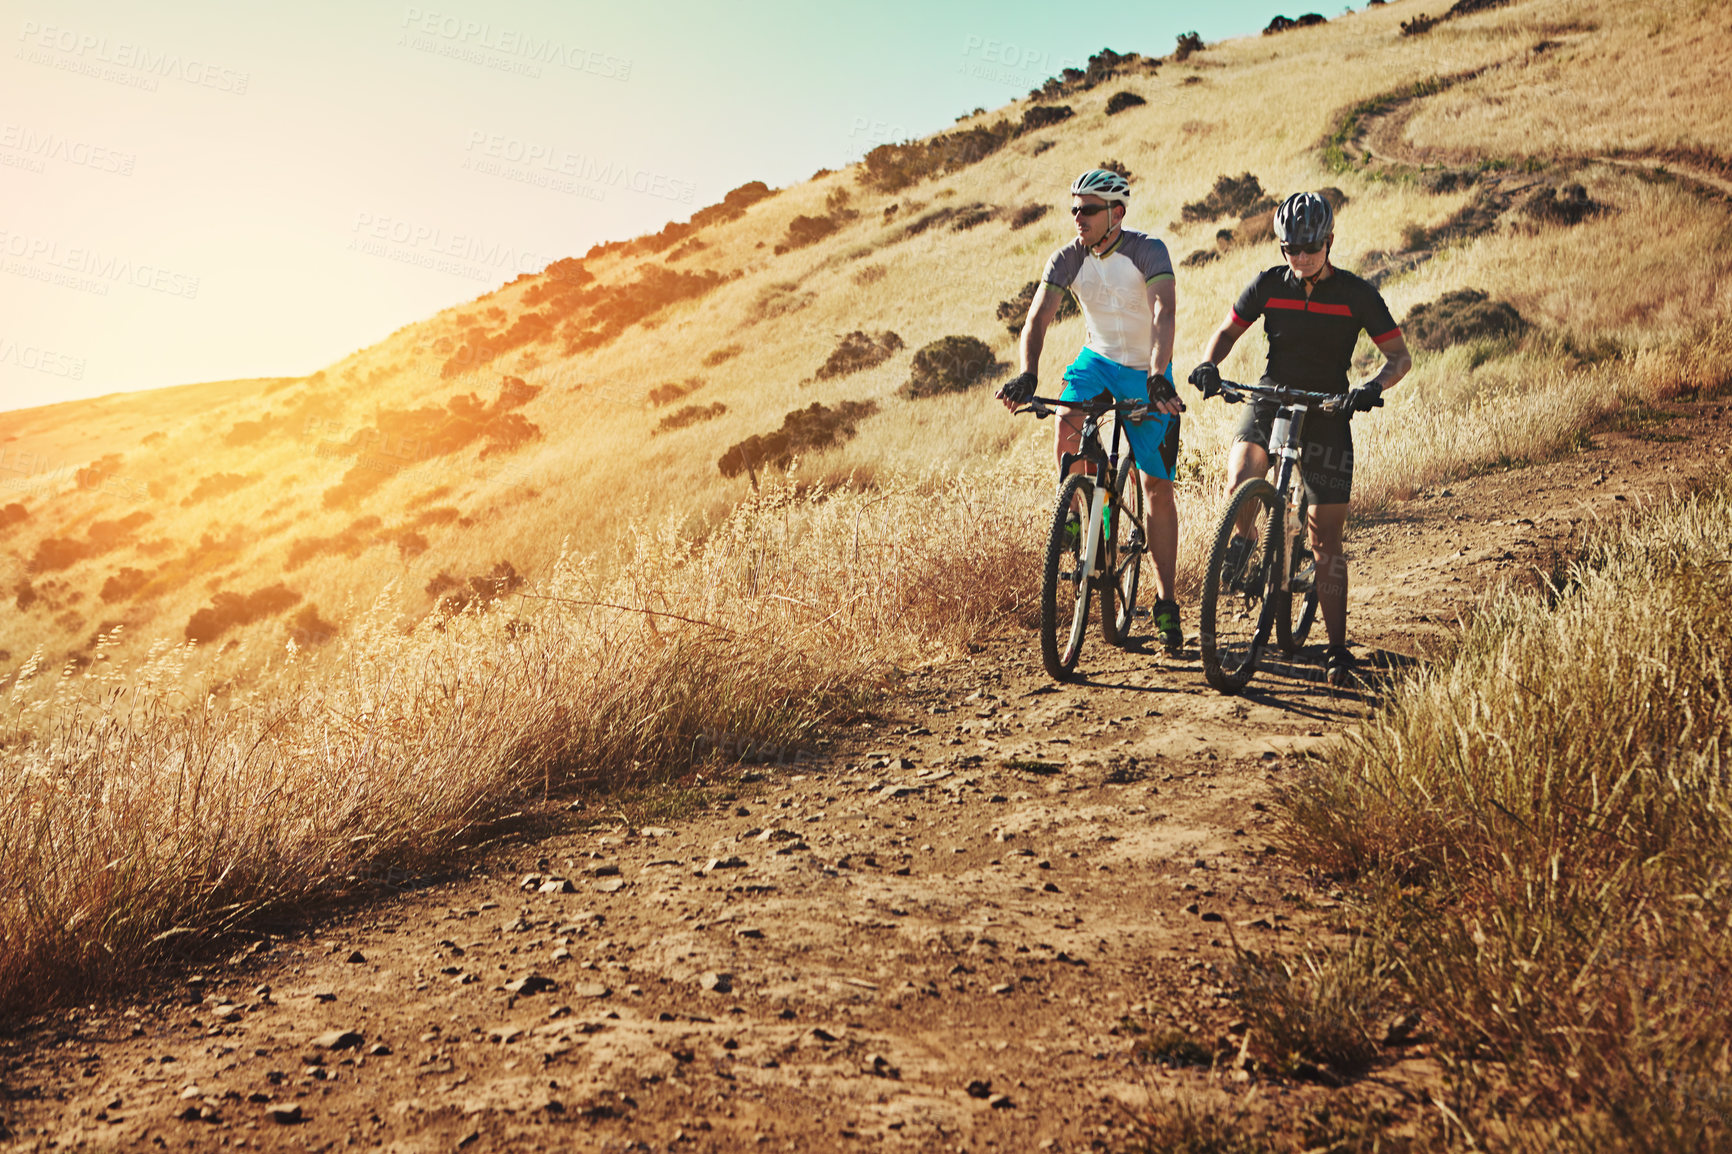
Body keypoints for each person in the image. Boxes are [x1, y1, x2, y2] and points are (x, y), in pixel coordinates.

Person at [1188, 191, 1412, 687]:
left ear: (1329, 242)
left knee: (1324, 539)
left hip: (1329, 406)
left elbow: (1399, 358)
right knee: (1243, 475)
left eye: (1311, 248)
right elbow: (1228, 332)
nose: (1302, 257)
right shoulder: (1269, 284)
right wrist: (1209, 363)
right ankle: (1242, 543)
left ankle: (1336, 651)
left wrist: (1371, 388)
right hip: (1271, 394)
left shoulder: (1356, 294)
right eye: (1292, 248)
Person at [997, 169, 1185, 653]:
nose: (1077, 218)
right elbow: (1037, 318)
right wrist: (1028, 373)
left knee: (1155, 487)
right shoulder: (1068, 257)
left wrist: (1158, 374)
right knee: (1065, 424)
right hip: (1096, 361)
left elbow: (1164, 311)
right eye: (1074, 209)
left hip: (1144, 369)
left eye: (1089, 209)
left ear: (1117, 213)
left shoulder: (1148, 251)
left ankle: (1165, 602)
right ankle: (1081, 514)